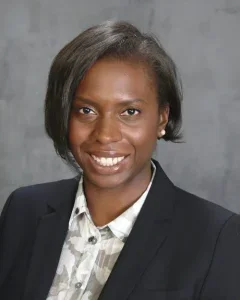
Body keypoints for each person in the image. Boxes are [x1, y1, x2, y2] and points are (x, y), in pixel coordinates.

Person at [0, 20, 239, 300]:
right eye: (86, 110)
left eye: (130, 112)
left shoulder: (217, 237)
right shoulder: (24, 210)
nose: (105, 135)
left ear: (162, 116)